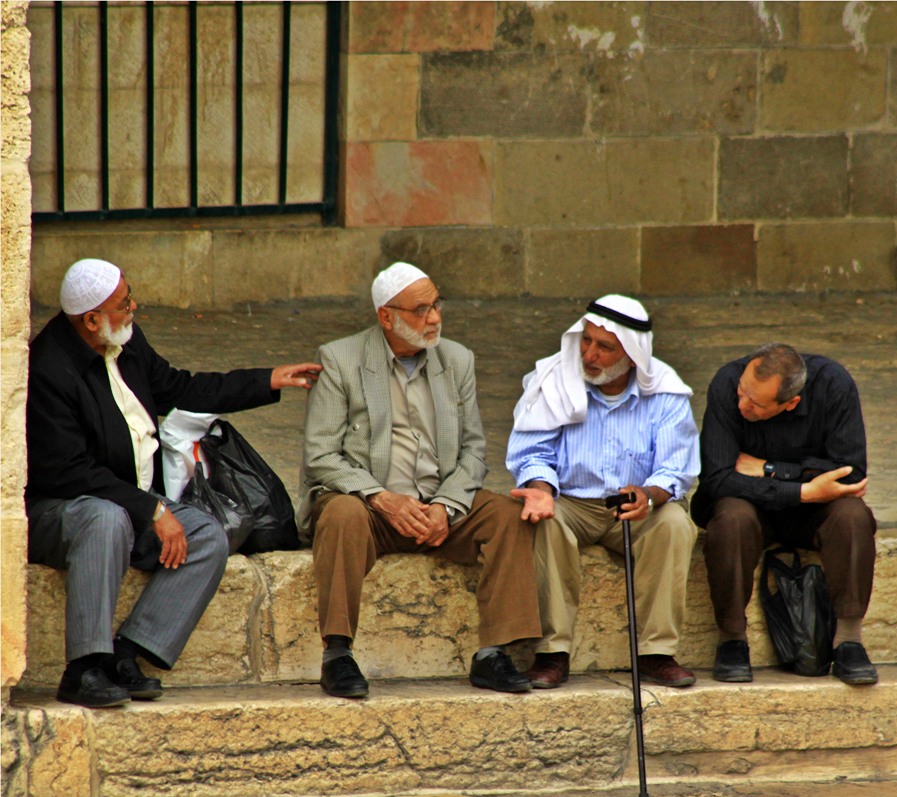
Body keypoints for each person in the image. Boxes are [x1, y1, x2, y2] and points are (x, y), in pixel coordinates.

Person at [26, 258, 322, 708]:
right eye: (125, 304)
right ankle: (84, 667)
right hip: (65, 510)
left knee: (206, 532)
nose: (134, 308)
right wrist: (153, 511)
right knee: (105, 519)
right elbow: (70, 473)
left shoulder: (124, 341)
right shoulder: (48, 369)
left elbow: (178, 388)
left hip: (132, 503)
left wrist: (265, 380)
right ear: (91, 319)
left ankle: (128, 654)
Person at [298, 261, 542, 698]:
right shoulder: (341, 359)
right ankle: (337, 654)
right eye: (420, 310)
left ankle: (493, 654)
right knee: (340, 515)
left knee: (509, 517)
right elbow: (321, 456)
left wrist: (446, 507)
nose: (434, 319)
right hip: (372, 507)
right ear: (386, 316)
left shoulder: (457, 360)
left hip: (436, 504)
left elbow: (473, 450)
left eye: (436, 306)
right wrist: (382, 498)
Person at [507, 295, 700, 689]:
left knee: (675, 523)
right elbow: (533, 453)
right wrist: (542, 490)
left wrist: (649, 495)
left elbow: (675, 468)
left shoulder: (664, 391)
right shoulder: (554, 380)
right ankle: (552, 653)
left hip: (634, 508)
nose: (590, 354)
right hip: (570, 501)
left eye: (604, 347)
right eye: (586, 341)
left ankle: (656, 653)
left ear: (631, 355)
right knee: (544, 520)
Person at [690, 343, 878, 685]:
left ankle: (849, 640)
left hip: (814, 511)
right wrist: (806, 486)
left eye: (756, 403)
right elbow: (718, 478)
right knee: (730, 518)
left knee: (852, 515)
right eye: (743, 391)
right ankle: (732, 639)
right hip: (751, 508)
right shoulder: (727, 382)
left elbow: (849, 475)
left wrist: (768, 468)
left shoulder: (833, 385)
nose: (741, 403)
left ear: (790, 403)